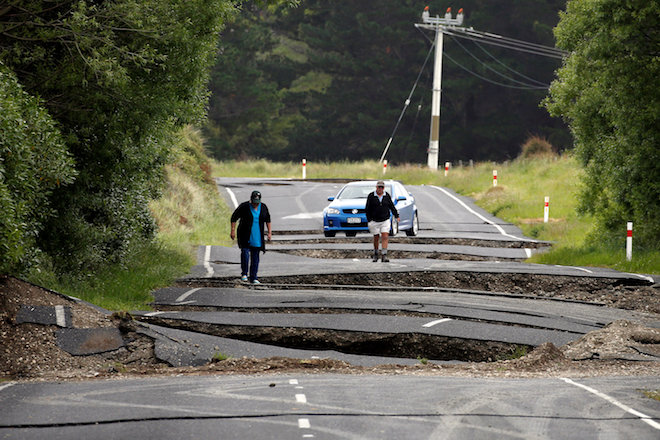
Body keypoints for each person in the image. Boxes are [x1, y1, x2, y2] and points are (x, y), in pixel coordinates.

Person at [230, 190, 272, 284]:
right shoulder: (244, 206)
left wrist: (269, 233)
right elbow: (234, 218)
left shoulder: (264, 207)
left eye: (257, 203)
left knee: (255, 256)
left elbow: (268, 220)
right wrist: (232, 230)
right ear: (251, 200)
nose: (255, 204)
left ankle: (254, 277)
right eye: (254, 202)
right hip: (245, 234)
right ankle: (244, 273)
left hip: (257, 235)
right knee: (245, 253)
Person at [365, 180, 399, 262]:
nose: (380, 189)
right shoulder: (371, 196)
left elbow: (391, 206)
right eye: (378, 187)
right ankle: (376, 254)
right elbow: (367, 208)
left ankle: (384, 255)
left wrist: (396, 215)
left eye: (382, 187)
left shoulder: (386, 195)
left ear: (383, 188)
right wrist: (369, 219)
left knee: (385, 236)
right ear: (376, 187)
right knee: (376, 237)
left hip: (385, 220)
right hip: (374, 220)